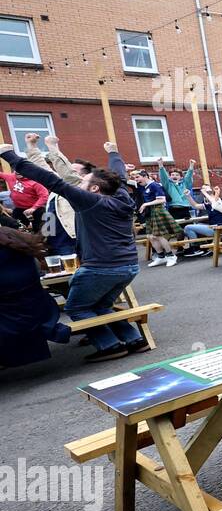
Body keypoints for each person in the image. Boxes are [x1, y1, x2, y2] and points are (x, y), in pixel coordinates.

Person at [0, 140, 148, 362]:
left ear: (95, 188)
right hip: (128, 267)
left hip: (100, 267)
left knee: (76, 307)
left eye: (83, 181)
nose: (79, 183)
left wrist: (9, 156)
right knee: (100, 304)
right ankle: (134, 338)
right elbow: (119, 176)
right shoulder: (120, 196)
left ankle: (109, 345)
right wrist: (113, 153)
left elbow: (50, 179)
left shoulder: (89, 201)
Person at [0, 215, 70, 369]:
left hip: (12, 322)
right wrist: (48, 215)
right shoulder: (16, 237)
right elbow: (44, 236)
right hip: (42, 311)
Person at [137, 170, 181, 268]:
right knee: (151, 236)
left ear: (145, 176)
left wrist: (145, 204)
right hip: (150, 212)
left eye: (138, 177)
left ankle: (171, 256)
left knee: (160, 236)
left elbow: (162, 199)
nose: (136, 180)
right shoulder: (145, 187)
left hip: (158, 211)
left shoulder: (155, 185)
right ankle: (161, 256)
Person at [0, 162, 49, 232]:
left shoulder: (35, 182)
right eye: (16, 171)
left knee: (39, 229)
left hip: (36, 209)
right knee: (15, 227)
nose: (17, 173)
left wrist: (34, 208)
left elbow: (44, 195)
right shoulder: (11, 177)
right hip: (19, 209)